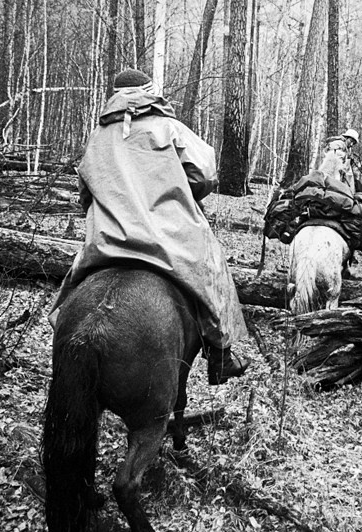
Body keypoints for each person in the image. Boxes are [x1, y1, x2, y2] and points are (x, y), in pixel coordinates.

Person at [48, 68, 249, 385]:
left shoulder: (98, 135)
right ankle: (220, 351)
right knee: (210, 263)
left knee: (76, 278)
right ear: (150, 92)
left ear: (114, 96)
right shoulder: (169, 127)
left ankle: (60, 319)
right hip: (166, 234)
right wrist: (179, 193)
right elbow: (206, 175)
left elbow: (85, 191)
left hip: (109, 236)